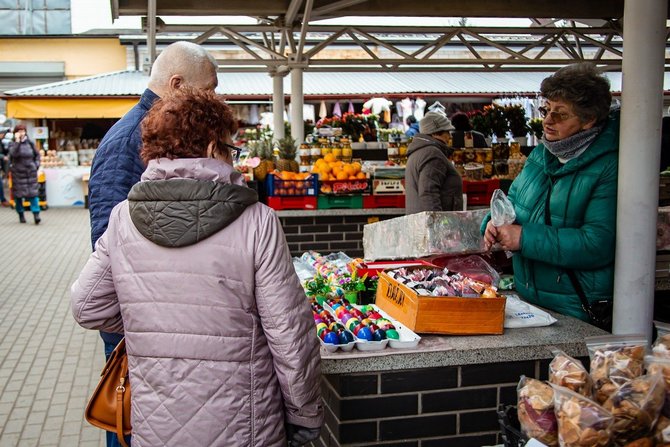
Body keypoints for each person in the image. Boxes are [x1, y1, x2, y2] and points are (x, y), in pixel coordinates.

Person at [71, 88, 323, 447]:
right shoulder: (257, 221)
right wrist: (304, 412)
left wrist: (149, 324)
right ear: (210, 149)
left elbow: (86, 305)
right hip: (246, 426)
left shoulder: (122, 218)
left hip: (156, 429)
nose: (234, 159)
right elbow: (289, 335)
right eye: (231, 150)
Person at [86, 40, 219, 447]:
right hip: (137, 320)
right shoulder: (129, 138)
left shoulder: (157, 130)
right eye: (209, 89)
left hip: (158, 315)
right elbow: (106, 241)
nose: (215, 99)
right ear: (176, 83)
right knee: (130, 418)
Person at [482, 63, 617, 322]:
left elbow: (598, 244)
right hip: (532, 302)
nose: (547, 120)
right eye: (547, 109)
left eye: (561, 114)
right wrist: (493, 225)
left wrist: (524, 238)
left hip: (579, 308)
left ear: (588, 120)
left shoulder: (609, 166)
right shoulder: (541, 155)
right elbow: (512, 207)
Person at [405, 111, 463, 214]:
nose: (450, 136)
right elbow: (429, 193)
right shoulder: (432, 154)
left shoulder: (419, 151)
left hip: (419, 223)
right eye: (447, 132)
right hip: (433, 225)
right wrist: (436, 225)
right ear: (435, 133)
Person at [8, 124, 41, 224]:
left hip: (30, 172)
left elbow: (37, 155)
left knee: (33, 194)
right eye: (19, 131)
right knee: (18, 196)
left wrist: (36, 165)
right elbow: (13, 154)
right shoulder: (12, 144)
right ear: (15, 133)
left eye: (23, 131)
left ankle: (36, 214)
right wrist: (17, 142)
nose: (22, 133)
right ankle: (21, 214)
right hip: (18, 173)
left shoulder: (30, 143)